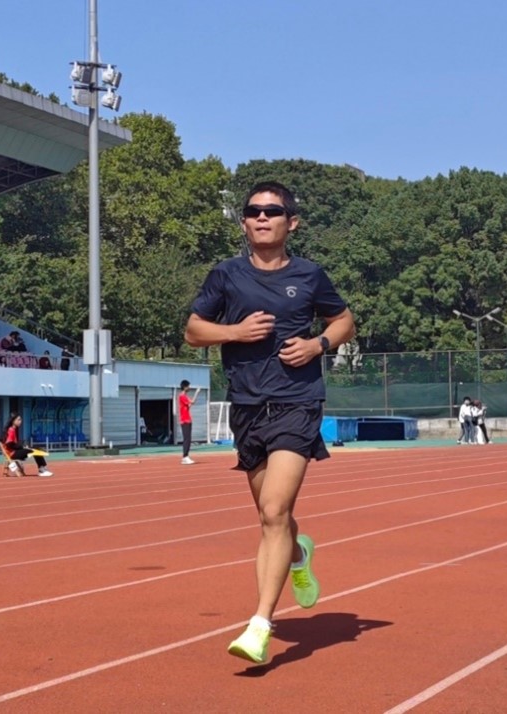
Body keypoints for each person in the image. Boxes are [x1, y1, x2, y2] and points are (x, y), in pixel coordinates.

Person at [184, 181, 355, 665]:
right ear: (244, 222)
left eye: (272, 211)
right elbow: (193, 330)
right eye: (253, 211)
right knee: (270, 516)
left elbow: (345, 321)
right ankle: (298, 554)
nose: (262, 217)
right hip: (246, 405)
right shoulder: (226, 275)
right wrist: (234, 332)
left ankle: (260, 624)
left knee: (276, 510)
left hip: (297, 402)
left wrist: (318, 345)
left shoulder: (310, 275)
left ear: (291, 222)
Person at [3, 413, 53, 477]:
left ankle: (43, 468)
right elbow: (9, 444)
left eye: (20, 420)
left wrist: (23, 446)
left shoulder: (13, 429)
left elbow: (14, 443)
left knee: (35, 448)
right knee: (35, 450)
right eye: (18, 420)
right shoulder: (11, 430)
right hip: (12, 454)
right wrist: (22, 447)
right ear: (13, 421)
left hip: (14, 452)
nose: (20, 421)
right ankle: (42, 470)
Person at [178, 380, 198, 464]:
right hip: (185, 420)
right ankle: (185, 456)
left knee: (188, 439)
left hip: (187, 419)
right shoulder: (182, 396)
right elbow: (192, 402)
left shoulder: (185, 396)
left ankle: (186, 456)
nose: (189, 388)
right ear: (185, 387)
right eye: (188, 386)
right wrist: (197, 393)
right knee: (187, 439)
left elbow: (189, 405)